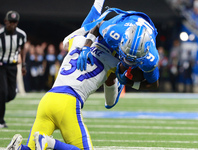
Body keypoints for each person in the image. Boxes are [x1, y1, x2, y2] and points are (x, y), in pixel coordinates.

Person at [5, 0, 123, 150]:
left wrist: (99, 3)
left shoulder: (78, 41)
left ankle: (18, 148)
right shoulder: (113, 62)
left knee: (31, 148)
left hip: (47, 100)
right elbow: (110, 102)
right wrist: (117, 80)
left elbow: (87, 25)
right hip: (68, 102)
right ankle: (50, 142)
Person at [76, 7, 159, 90]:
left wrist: (128, 82)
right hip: (125, 20)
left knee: (132, 74)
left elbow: (154, 85)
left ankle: (117, 83)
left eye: (133, 61)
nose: (128, 63)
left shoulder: (151, 59)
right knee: (94, 47)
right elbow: (98, 24)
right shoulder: (113, 33)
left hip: (145, 28)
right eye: (126, 57)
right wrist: (86, 47)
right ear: (122, 42)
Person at [0, 10, 27, 128]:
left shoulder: (21, 35)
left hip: (13, 66)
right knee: (3, 92)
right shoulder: (0, 35)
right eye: (10, 22)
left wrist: (24, 64)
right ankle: (1, 121)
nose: (13, 24)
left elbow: (23, 48)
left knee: (11, 94)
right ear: (6, 21)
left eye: (15, 22)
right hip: (1, 66)